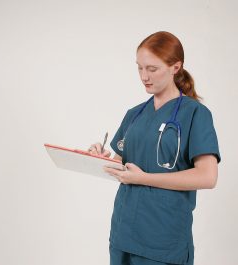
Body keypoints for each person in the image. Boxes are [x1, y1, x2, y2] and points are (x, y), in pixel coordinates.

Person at [88, 31, 221, 265]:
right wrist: (99, 158)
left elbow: (207, 176)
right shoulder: (134, 114)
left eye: (152, 69)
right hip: (123, 232)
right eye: (139, 68)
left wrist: (144, 178)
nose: (144, 76)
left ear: (175, 67)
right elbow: (122, 166)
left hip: (163, 238)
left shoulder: (195, 114)